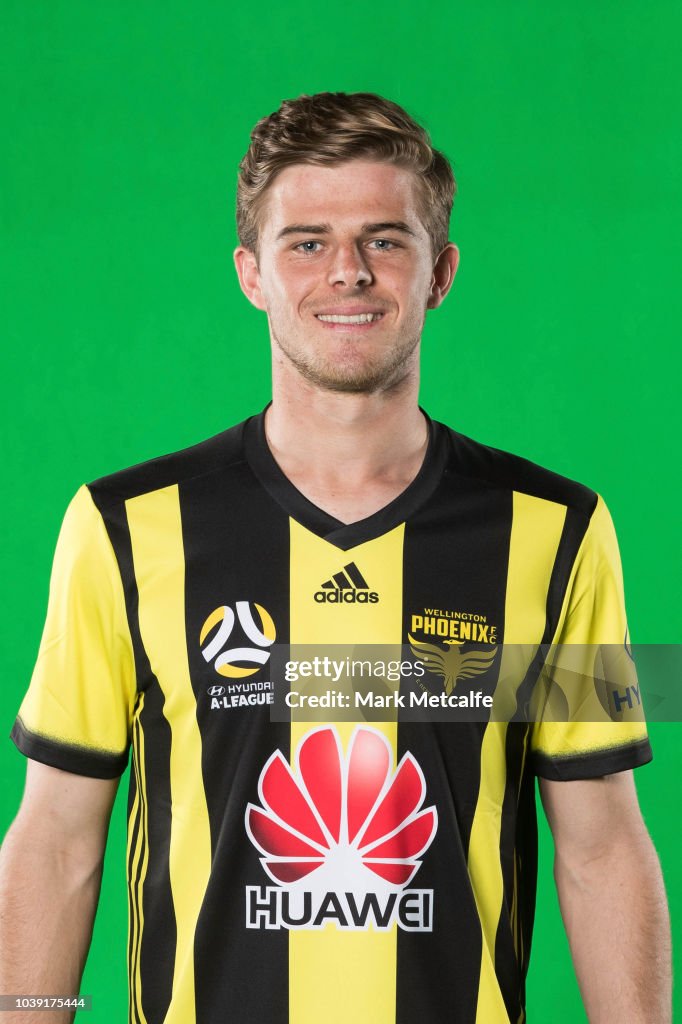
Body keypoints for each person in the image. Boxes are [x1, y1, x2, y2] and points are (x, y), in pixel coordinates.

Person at [0, 92, 671, 1024]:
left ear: (440, 272)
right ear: (251, 274)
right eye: (306, 241)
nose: (347, 272)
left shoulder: (555, 530)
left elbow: (600, 843)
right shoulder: (124, 525)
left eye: (385, 240)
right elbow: (58, 840)